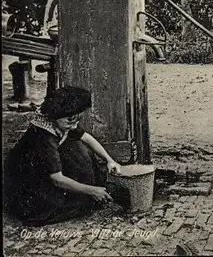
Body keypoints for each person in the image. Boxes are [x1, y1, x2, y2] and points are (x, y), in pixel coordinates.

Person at [4, 86, 130, 226]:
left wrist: (110, 160)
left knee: (78, 147)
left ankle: (95, 188)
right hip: (28, 182)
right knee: (74, 203)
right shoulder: (44, 137)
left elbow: (86, 137)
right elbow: (57, 179)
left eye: (77, 120)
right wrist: (91, 191)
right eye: (70, 121)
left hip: (46, 171)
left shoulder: (62, 122)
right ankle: (94, 191)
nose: (74, 125)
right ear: (54, 116)